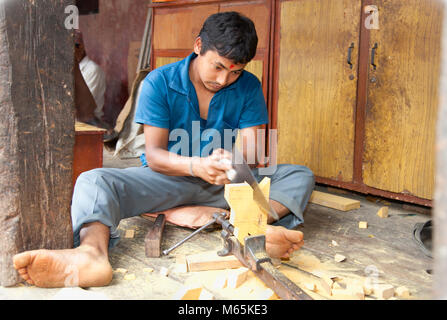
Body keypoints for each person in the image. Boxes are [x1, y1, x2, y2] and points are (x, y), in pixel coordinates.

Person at [12, 12, 315, 288]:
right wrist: (197, 166)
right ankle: (91, 255)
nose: (224, 80)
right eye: (218, 66)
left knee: (298, 175)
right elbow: (155, 156)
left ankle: (244, 223)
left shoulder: (248, 86)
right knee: (94, 181)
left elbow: (251, 153)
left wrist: (235, 161)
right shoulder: (160, 82)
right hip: (170, 179)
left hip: (223, 186)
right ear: (199, 46)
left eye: (234, 72)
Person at [74, 30, 108, 128]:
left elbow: (83, 108)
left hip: (88, 125)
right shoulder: (72, 68)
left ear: (80, 47)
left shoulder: (92, 70)